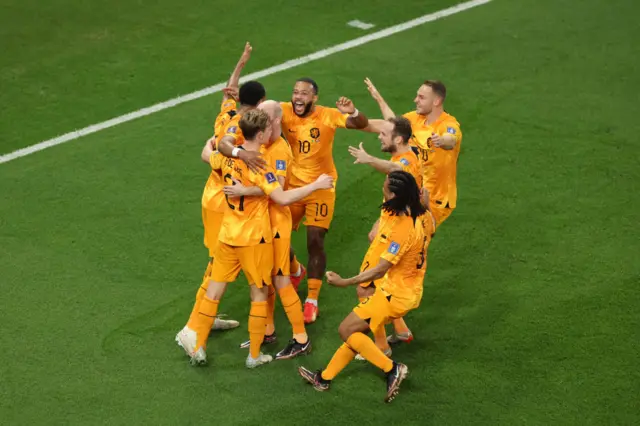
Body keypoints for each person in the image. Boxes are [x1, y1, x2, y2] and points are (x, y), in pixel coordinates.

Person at [176, 109, 333, 368]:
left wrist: (210, 147)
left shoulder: (227, 157)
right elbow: (281, 197)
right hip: (253, 240)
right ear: (260, 134)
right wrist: (315, 186)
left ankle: (198, 346)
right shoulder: (261, 165)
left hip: (227, 235)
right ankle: (254, 356)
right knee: (259, 293)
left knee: (214, 292)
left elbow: (208, 155)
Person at [298, 171, 428, 403]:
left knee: (345, 330)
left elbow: (380, 269)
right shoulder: (417, 213)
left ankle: (392, 369)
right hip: (403, 290)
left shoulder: (403, 228)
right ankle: (324, 378)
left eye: (386, 186)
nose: (382, 186)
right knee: (356, 333)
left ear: (394, 195)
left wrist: (344, 282)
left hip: (394, 294)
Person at [362, 77, 462, 343]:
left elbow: (451, 139)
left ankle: (389, 320)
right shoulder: (413, 120)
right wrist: (365, 110)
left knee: (398, 256)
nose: (415, 100)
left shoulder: (448, 126)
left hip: (432, 203)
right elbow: (392, 126)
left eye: (421, 97)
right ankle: (401, 328)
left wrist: (443, 141)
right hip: (411, 196)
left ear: (437, 101)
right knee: (377, 239)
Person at [223, 101, 312, 359]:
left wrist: (243, 191)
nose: (260, 120)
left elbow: (279, 189)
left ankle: (300, 337)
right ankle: (267, 330)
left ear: (274, 122)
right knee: (266, 279)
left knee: (281, 279)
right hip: (261, 224)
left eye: (265, 117)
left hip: (276, 224)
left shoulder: (280, 149)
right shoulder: (259, 145)